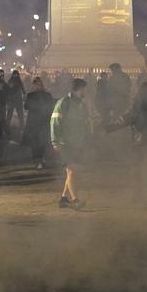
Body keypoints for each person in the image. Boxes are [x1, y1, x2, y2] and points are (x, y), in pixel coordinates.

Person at [51, 78, 92, 209]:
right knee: (72, 170)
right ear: (79, 89)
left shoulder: (81, 104)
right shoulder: (63, 103)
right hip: (65, 142)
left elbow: (85, 121)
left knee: (71, 172)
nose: (86, 91)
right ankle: (74, 200)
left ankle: (63, 199)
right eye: (85, 89)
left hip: (76, 142)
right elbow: (55, 122)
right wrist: (55, 141)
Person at [24, 77, 55, 169]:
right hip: (44, 121)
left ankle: (37, 160)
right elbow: (51, 107)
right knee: (43, 140)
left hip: (33, 121)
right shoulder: (47, 95)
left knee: (35, 141)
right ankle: (41, 159)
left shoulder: (30, 95)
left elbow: (26, 106)